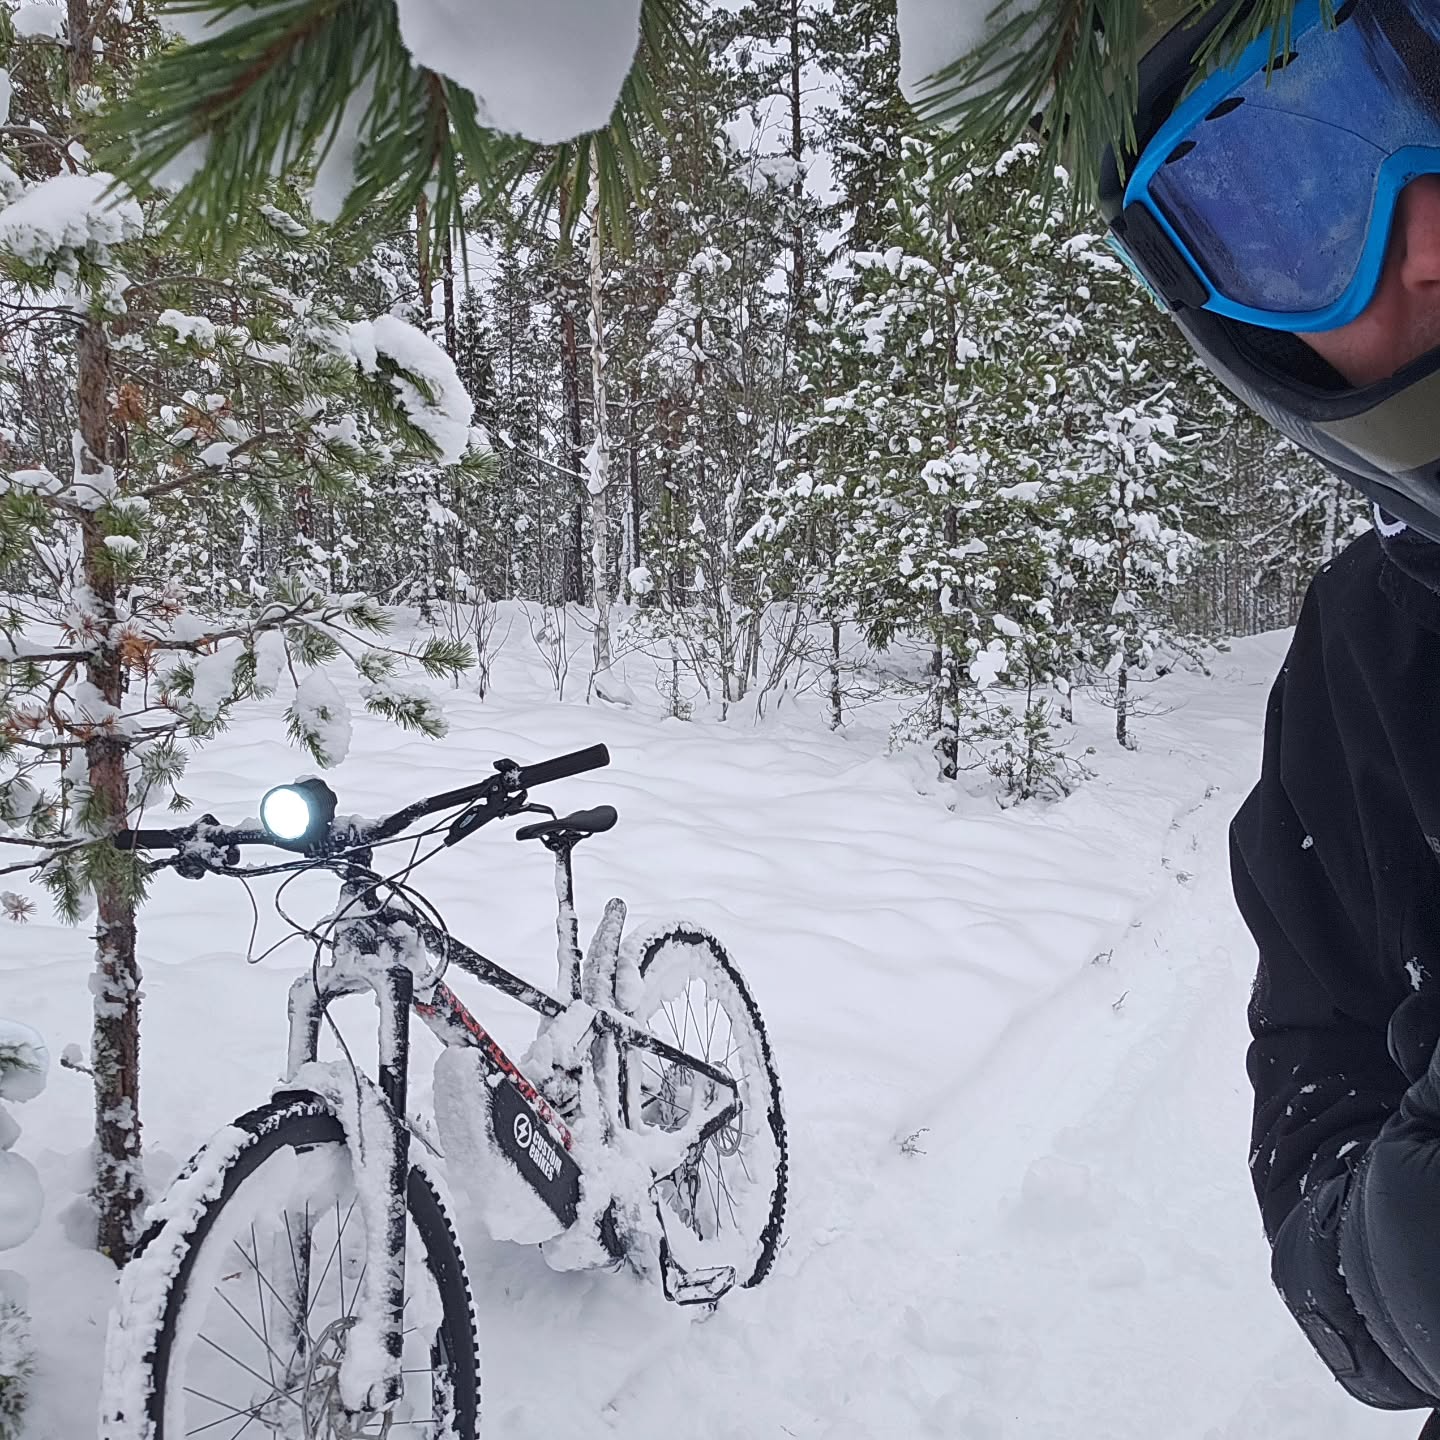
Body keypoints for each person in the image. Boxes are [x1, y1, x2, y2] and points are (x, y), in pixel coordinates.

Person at [1098, 2, 1440, 1435]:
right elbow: (1314, 1055)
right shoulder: (1364, 650)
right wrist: (1395, 1252)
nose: (1428, 246)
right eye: (1296, 206)